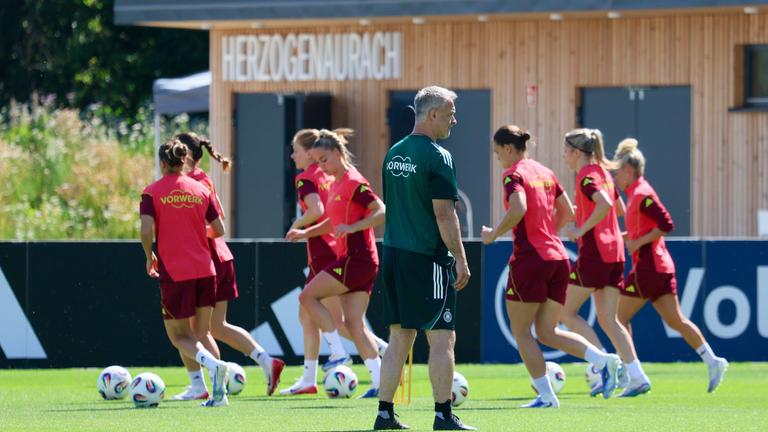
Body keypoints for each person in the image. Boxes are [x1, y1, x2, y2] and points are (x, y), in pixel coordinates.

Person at [481, 125, 621, 408]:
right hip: (558, 258)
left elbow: (518, 208)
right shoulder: (545, 172)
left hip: (531, 260)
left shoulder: (514, 174)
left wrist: (494, 234)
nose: (499, 160)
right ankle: (604, 360)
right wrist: (548, 237)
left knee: (521, 332)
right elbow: (568, 212)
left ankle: (546, 396)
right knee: (547, 332)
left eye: (498, 154)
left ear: (509, 149)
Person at [375, 86, 474, 431]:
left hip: (392, 253)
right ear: (432, 115)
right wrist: (460, 258)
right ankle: (443, 416)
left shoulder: (394, 152)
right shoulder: (438, 156)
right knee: (442, 337)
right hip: (426, 258)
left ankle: (384, 414)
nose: (454, 121)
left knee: (399, 337)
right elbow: (444, 215)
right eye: (449, 115)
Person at [168, 132, 284, 400]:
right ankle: (266, 361)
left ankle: (204, 387)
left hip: (207, 260)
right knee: (217, 327)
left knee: (195, 330)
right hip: (219, 258)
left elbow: (214, 226)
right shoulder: (201, 179)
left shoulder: (191, 182)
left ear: (184, 154)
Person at [612, 138, 729, 394]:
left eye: (618, 172)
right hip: (660, 266)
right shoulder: (636, 194)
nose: (616, 177)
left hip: (649, 267)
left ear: (629, 171)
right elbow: (637, 230)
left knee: (616, 317)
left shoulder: (641, 194)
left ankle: (634, 374)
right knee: (676, 320)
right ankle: (713, 361)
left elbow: (666, 223)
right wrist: (618, 238)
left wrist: (638, 242)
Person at [282, 128, 388, 395]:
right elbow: (331, 221)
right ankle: (380, 382)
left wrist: (356, 227)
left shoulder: (354, 181)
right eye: (317, 161)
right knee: (353, 324)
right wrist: (305, 232)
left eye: (324, 159)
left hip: (358, 258)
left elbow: (381, 210)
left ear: (339, 153)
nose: (321, 166)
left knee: (307, 297)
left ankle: (338, 354)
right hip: (354, 259)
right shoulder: (336, 183)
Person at [560, 128, 650, 397]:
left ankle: (604, 365)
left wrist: (580, 228)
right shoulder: (603, 175)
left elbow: (604, 205)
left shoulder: (587, 176)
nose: (564, 156)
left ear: (577, 153)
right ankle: (636, 375)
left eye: (566, 151)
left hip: (596, 253)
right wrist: (584, 214)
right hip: (615, 253)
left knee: (565, 313)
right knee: (609, 320)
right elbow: (618, 209)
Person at [139, 138, 229, 407]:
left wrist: (148, 256)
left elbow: (146, 230)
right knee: (201, 333)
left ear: (162, 163)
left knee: (179, 337)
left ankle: (213, 366)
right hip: (206, 269)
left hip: (176, 272)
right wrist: (195, 236)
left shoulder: (152, 192)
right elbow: (220, 229)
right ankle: (219, 393)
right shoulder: (200, 189)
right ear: (184, 161)